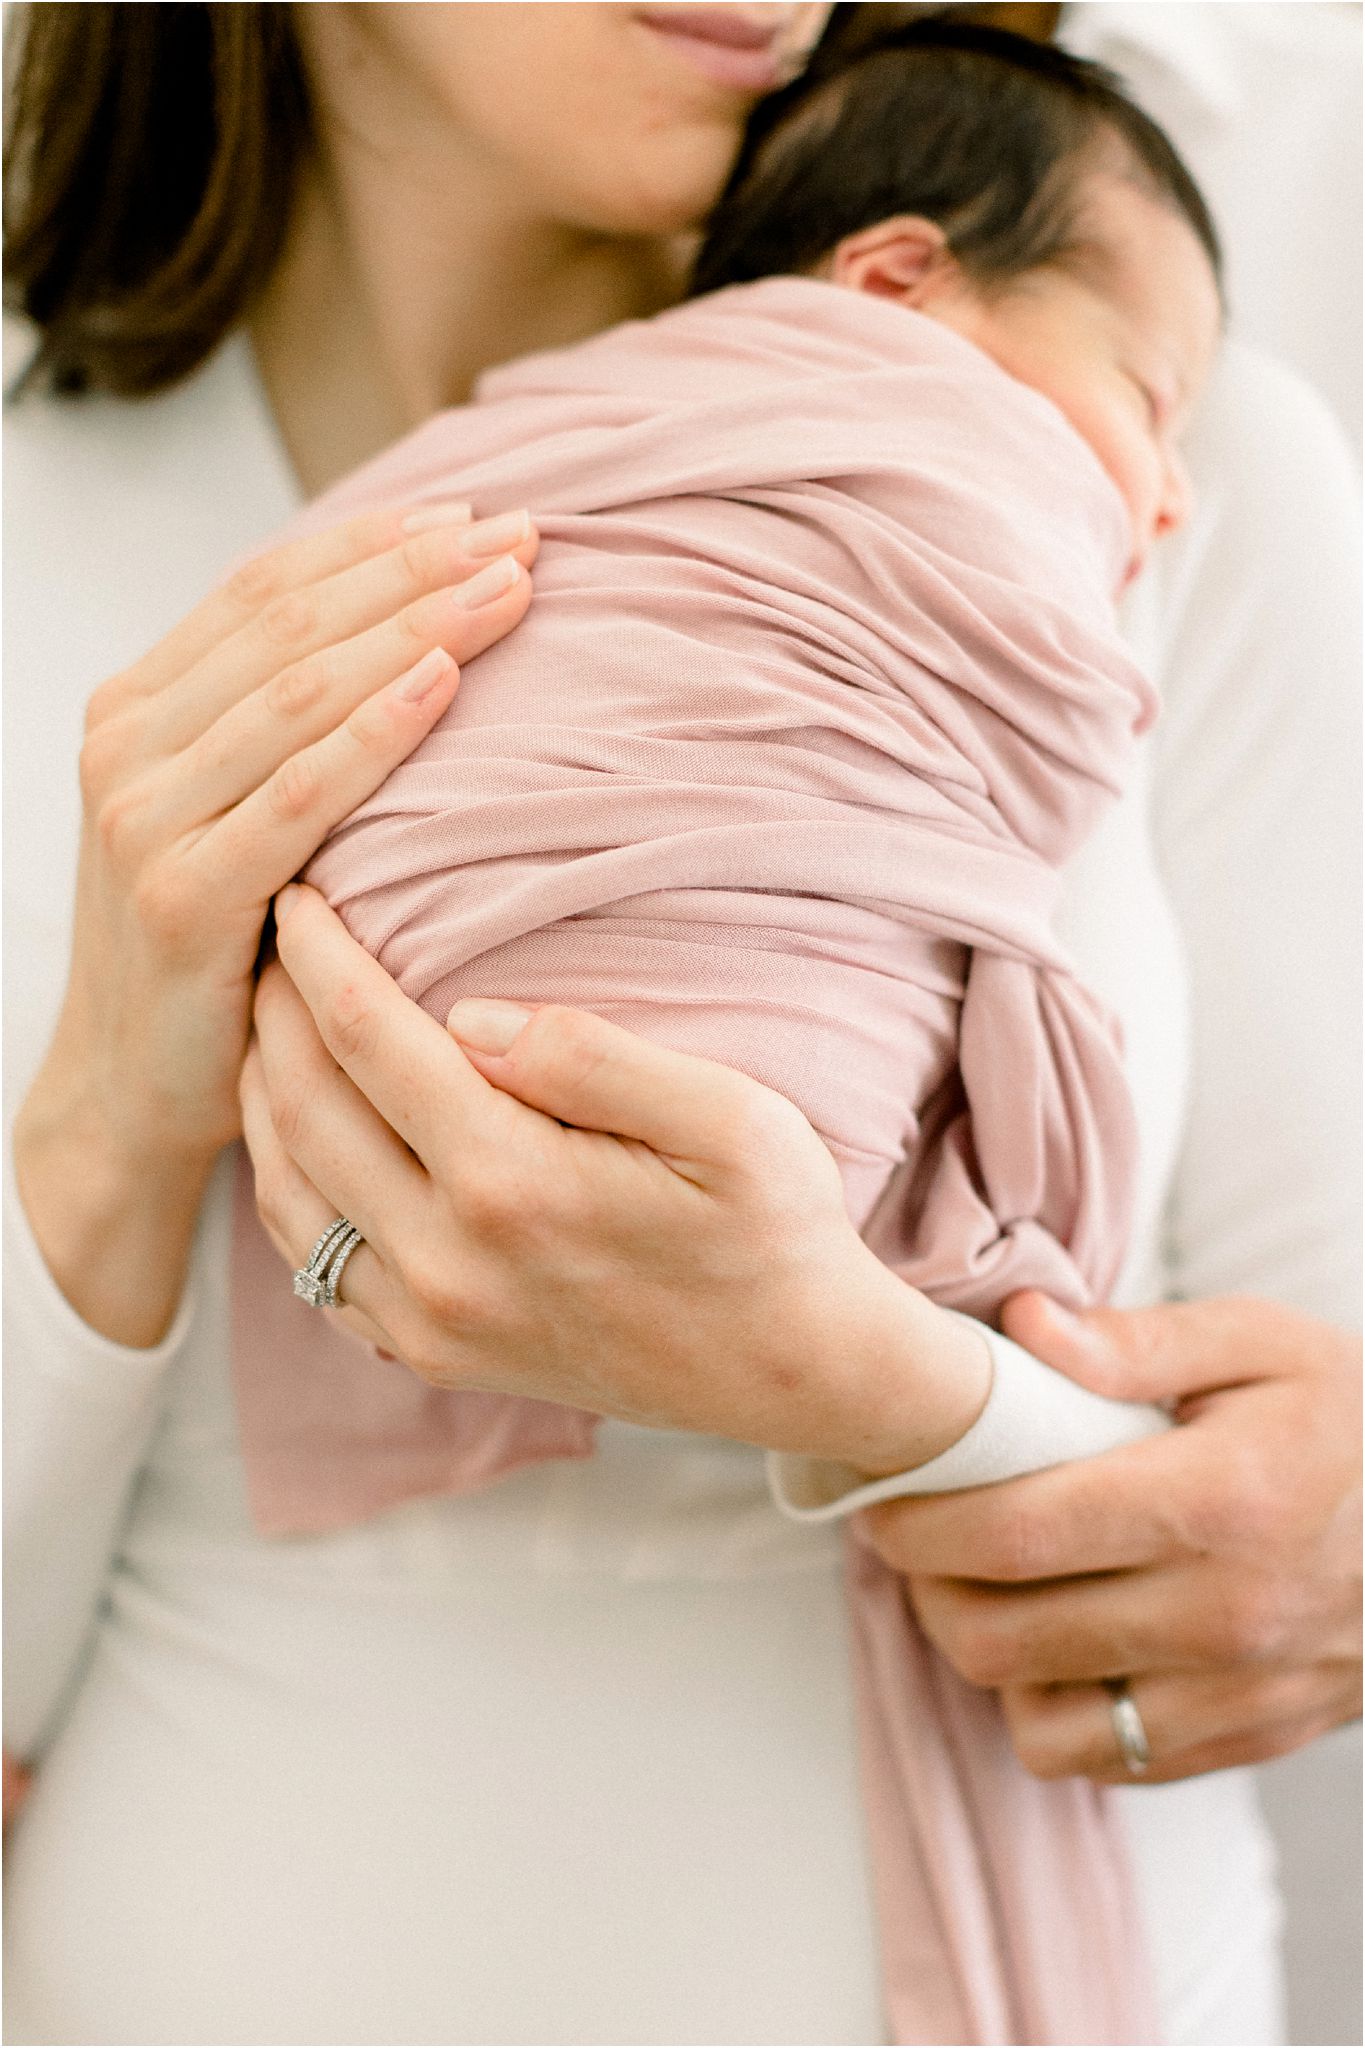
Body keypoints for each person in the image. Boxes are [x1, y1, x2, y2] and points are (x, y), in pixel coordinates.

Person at [3, 6, 1357, 2044]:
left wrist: (858, 1377)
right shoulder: (34, 534)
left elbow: (1315, 1438)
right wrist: (107, 1115)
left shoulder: (1132, 444)